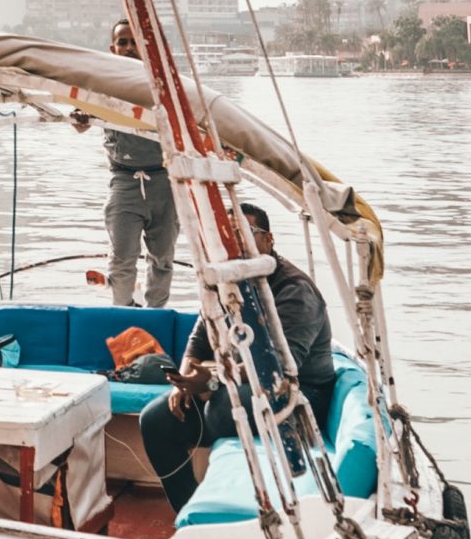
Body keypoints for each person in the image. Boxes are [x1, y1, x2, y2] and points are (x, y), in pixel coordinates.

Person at [137, 203, 336, 513]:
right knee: (156, 419)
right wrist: (184, 383)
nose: (233, 243)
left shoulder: (295, 290)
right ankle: (188, 510)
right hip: (239, 386)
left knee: (221, 407)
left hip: (300, 393)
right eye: (225, 236)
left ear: (268, 240)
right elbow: (199, 341)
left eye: (243, 233)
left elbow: (281, 366)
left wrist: (213, 380)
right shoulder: (225, 283)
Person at [71, 17, 178, 307]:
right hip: (124, 180)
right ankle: (122, 312)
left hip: (164, 181)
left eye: (135, 43)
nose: (129, 48)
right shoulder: (102, 86)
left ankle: (155, 316)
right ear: (113, 48)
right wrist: (81, 118)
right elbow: (80, 120)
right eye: (123, 42)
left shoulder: (163, 85)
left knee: (162, 258)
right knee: (121, 258)